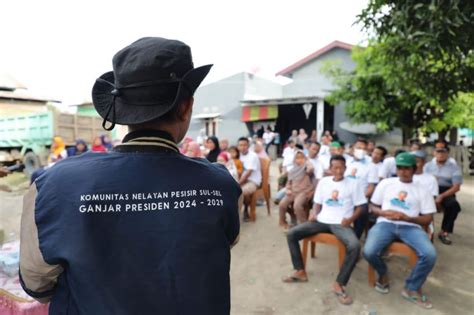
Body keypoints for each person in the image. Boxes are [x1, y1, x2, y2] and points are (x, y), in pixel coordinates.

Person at [19, 37, 240, 315]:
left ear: (122, 109)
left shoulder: (54, 185)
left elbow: (37, 284)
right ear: (185, 107)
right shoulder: (220, 185)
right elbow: (221, 244)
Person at [283, 155, 366, 305]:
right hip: (322, 220)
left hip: (342, 223)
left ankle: (340, 283)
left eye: (341, 167)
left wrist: (350, 220)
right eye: (335, 167)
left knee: (354, 245)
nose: (339, 170)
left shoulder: (354, 184)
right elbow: (317, 203)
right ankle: (300, 270)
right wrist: (314, 213)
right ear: (330, 169)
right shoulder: (324, 182)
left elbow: (361, 207)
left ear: (345, 168)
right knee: (292, 234)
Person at [363, 153, 436, 309]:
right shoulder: (386, 184)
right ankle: (383, 273)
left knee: (429, 254)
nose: (403, 171)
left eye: (407, 168)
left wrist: (408, 218)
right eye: (400, 168)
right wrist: (384, 213)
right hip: (385, 223)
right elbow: (373, 206)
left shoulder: (422, 189)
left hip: (411, 226)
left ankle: (411, 287)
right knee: (368, 251)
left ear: (414, 169)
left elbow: (428, 218)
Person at [424, 144, 463, 245]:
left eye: (443, 152)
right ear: (434, 153)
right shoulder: (428, 166)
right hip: (428, 190)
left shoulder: (454, 167)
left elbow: (456, 187)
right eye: (438, 152)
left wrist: (441, 196)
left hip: (446, 190)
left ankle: (444, 231)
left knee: (454, 206)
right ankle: (422, 230)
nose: (440, 154)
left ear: (447, 153)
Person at [344, 139, 376, 238]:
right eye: (358, 148)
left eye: (364, 149)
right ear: (353, 148)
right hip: (344, 196)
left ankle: (355, 238)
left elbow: (371, 188)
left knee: (361, 211)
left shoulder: (371, 166)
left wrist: (359, 199)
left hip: (361, 198)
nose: (361, 150)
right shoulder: (347, 162)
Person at [278, 150, 315, 230]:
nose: (300, 160)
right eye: (297, 158)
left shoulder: (306, 169)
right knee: (282, 204)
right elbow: (289, 183)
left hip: (304, 192)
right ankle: (283, 221)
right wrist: (287, 189)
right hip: (293, 191)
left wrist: (307, 161)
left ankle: (304, 225)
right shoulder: (292, 171)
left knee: (297, 205)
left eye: (302, 158)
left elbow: (311, 169)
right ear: (294, 160)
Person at [238, 137, 262, 222]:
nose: (243, 147)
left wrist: (237, 184)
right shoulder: (238, 155)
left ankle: (243, 211)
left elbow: (248, 173)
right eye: (241, 145)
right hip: (241, 180)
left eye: (245, 145)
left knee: (239, 192)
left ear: (248, 146)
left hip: (253, 181)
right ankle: (244, 210)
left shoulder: (253, 156)